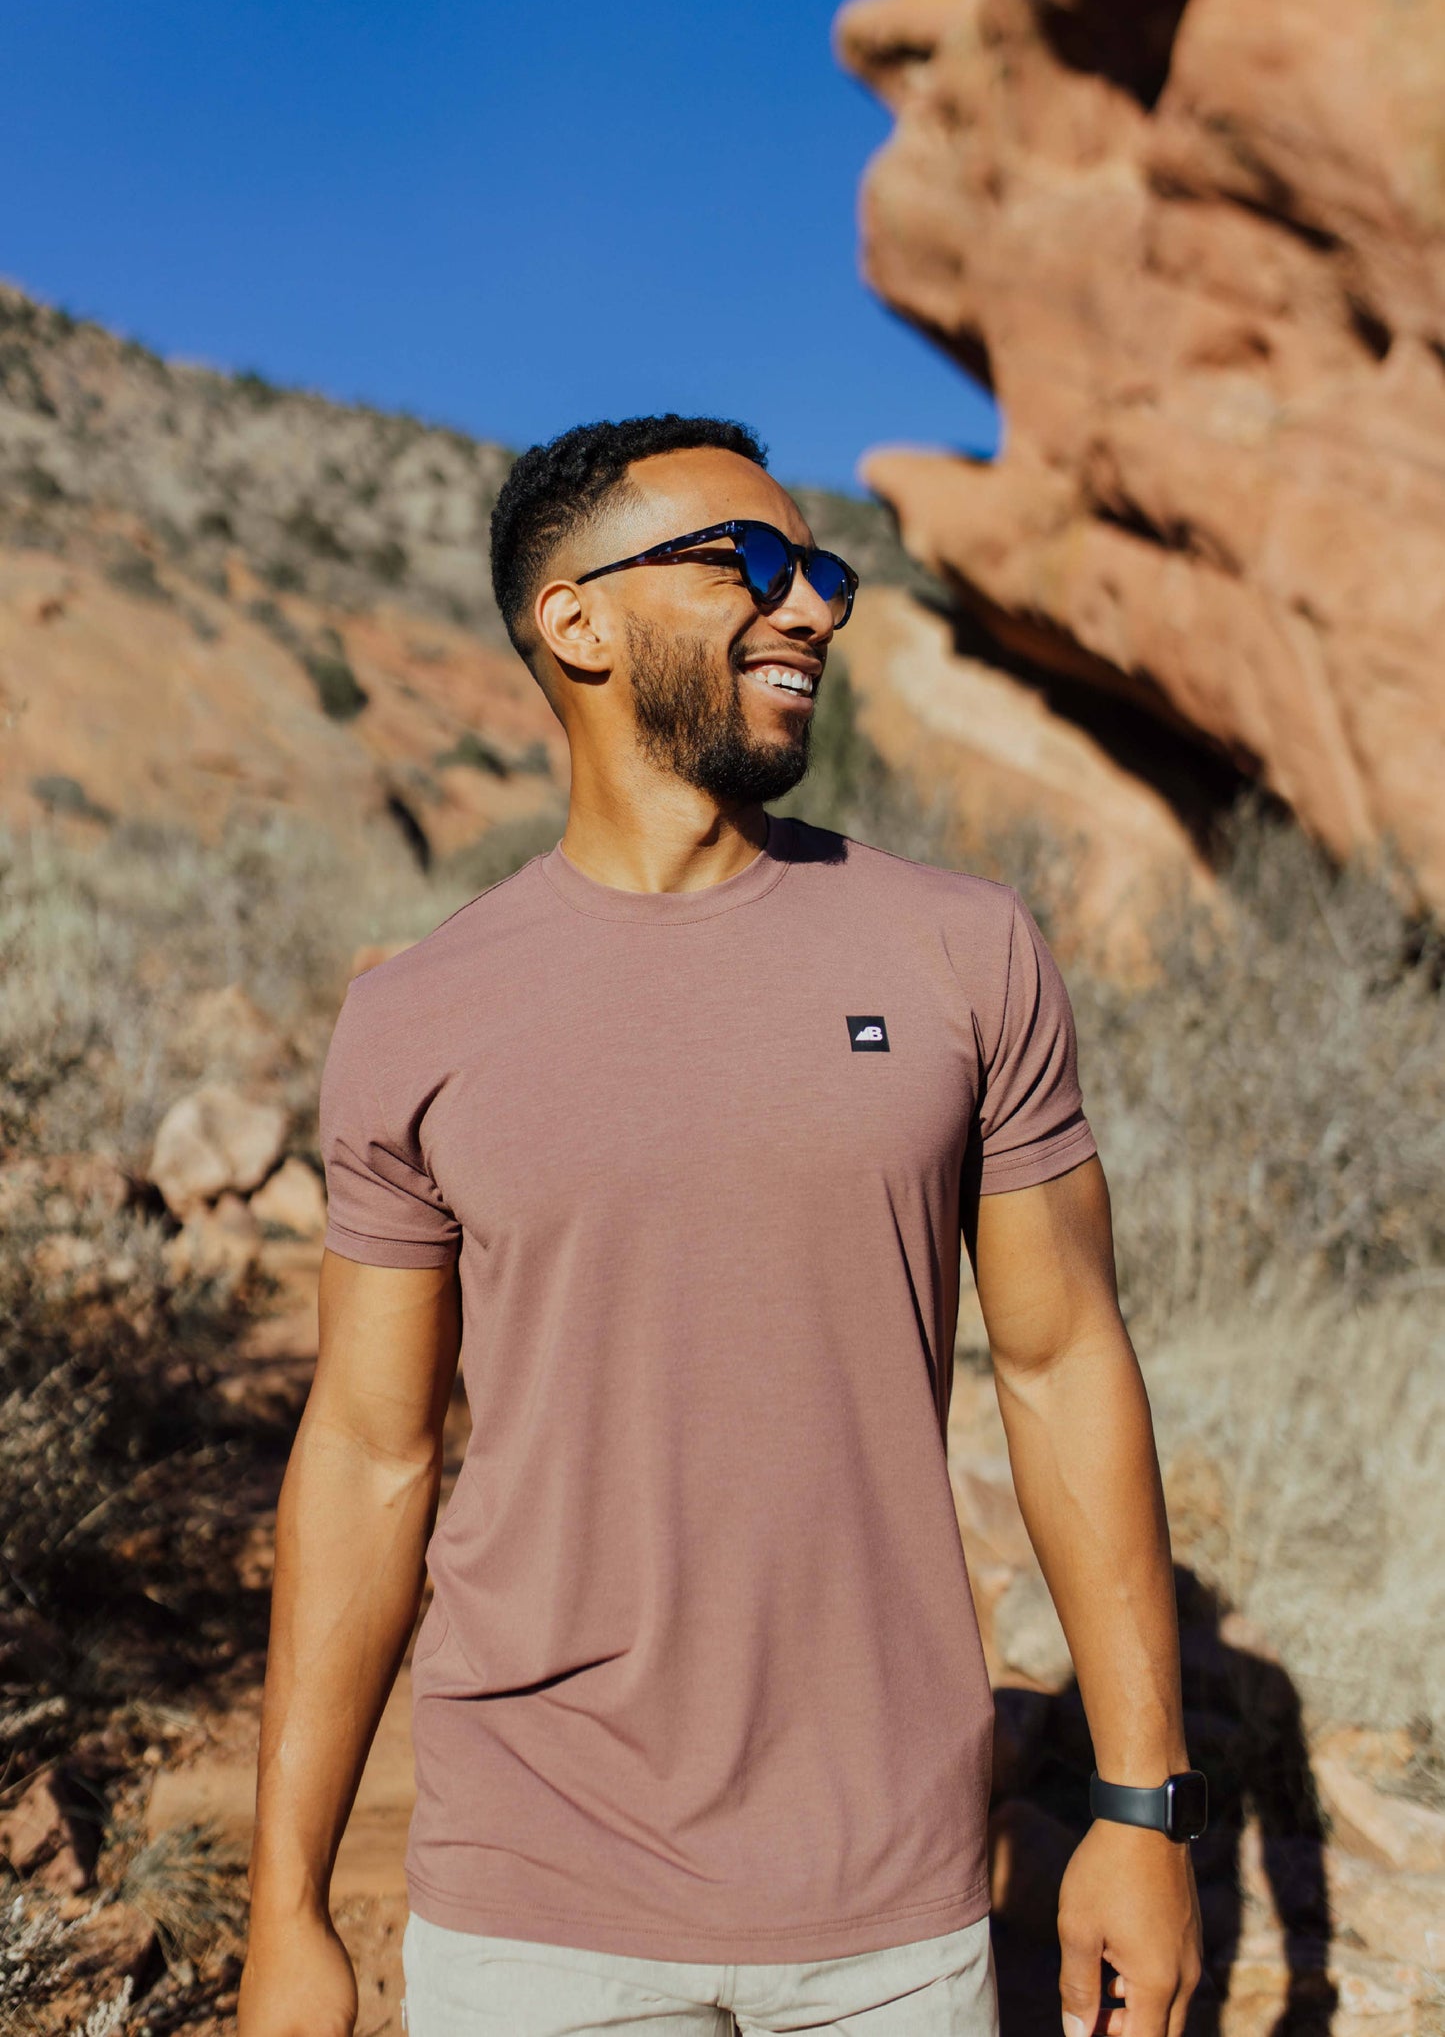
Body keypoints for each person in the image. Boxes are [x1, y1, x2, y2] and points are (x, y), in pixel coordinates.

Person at [238, 415, 1204, 2037]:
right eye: (742, 563)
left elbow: (1060, 1365)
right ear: (576, 622)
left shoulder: (960, 953)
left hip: (886, 1892)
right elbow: (367, 1450)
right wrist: (288, 1907)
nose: (811, 604)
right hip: (533, 1888)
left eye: (819, 570)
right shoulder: (418, 1016)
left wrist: (1138, 1808)